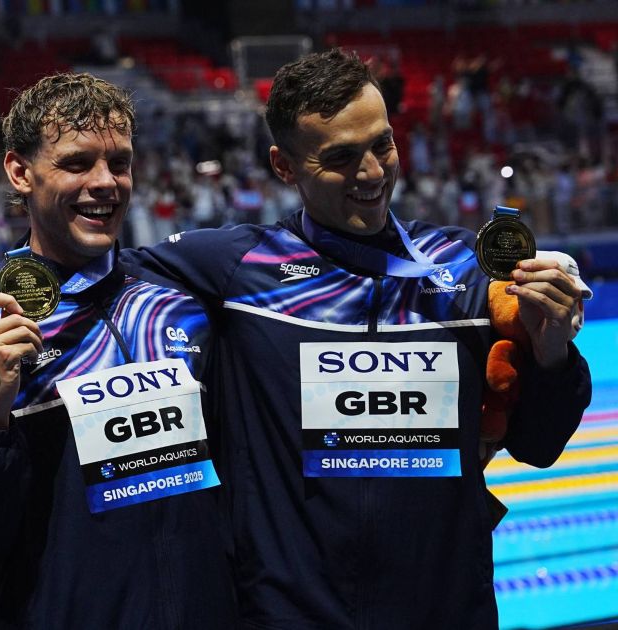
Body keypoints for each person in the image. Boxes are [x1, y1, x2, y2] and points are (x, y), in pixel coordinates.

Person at [125, 48, 591, 628]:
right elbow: (85, 271)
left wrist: (552, 356)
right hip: (291, 614)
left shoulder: (465, 271)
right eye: (341, 158)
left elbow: (539, 446)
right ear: (284, 165)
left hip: (446, 610)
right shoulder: (236, 268)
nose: (372, 173)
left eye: (383, 144)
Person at [0, 72, 236, 628]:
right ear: (19, 172)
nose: (106, 182)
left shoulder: (181, 302)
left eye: (120, 163)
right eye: (77, 163)